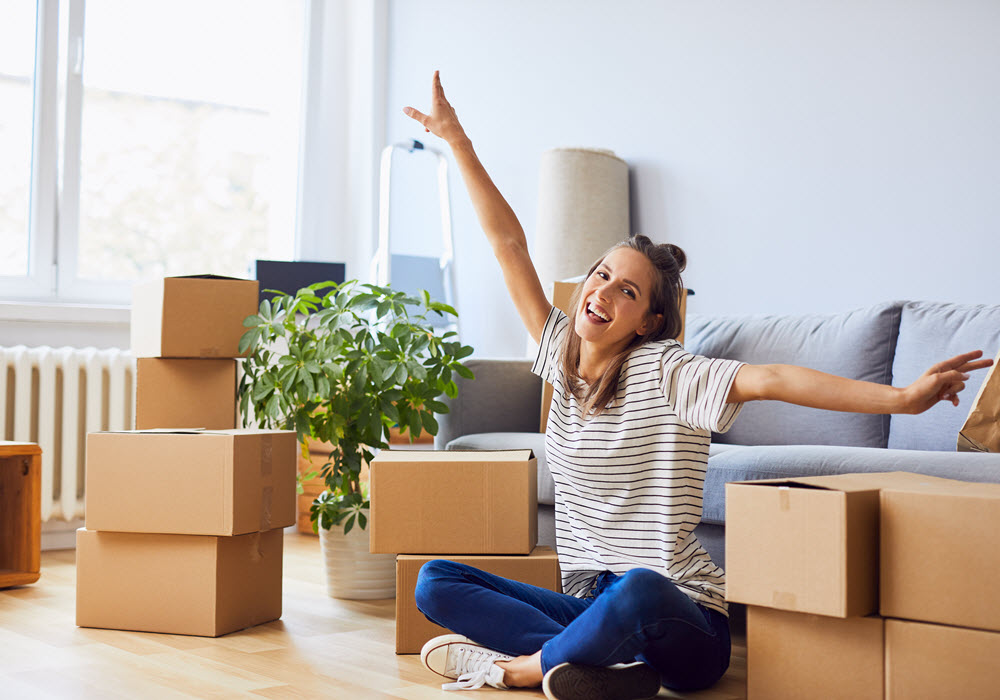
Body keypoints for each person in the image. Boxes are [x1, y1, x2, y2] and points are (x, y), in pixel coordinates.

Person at [401, 71, 993, 700]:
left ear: (650, 320)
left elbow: (771, 379)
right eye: (600, 275)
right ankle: (598, 665)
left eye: (625, 290)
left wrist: (901, 399)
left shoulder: (668, 369)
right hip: (594, 601)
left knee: (637, 588)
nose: (601, 291)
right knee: (435, 580)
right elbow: (506, 243)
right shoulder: (561, 352)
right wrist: (456, 139)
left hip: (682, 618)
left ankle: (519, 668)